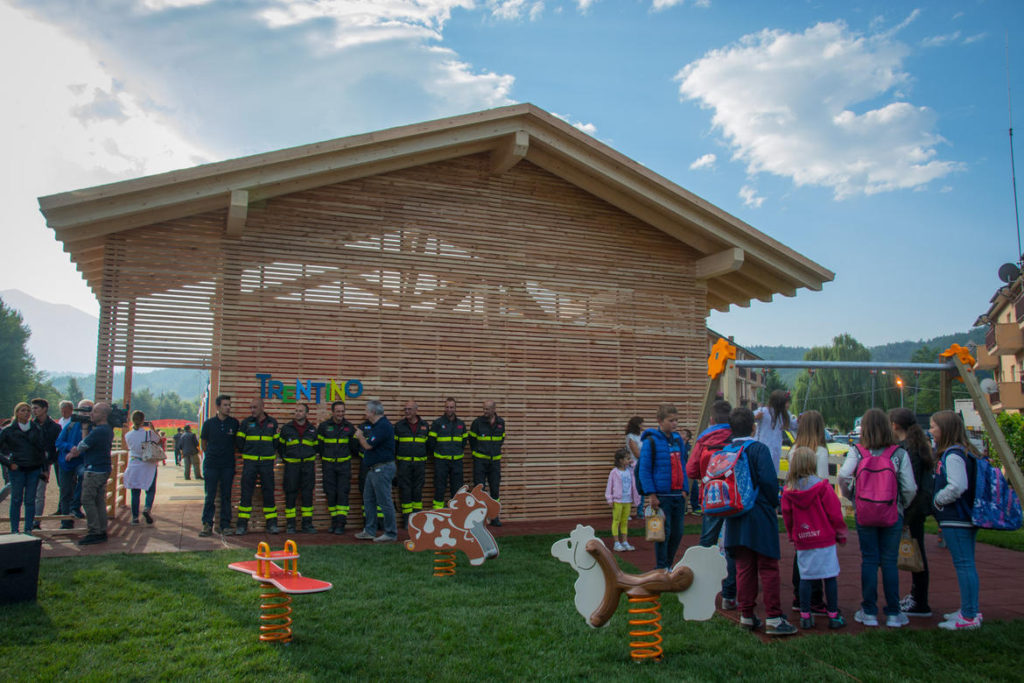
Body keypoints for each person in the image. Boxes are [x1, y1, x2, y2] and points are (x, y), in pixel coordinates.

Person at [838, 408, 916, 628]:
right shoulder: (898, 454)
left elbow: (844, 475)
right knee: (890, 561)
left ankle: (869, 610)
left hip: (865, 511)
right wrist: (901, 504)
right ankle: (893, 612)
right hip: (892, 511)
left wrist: (852, 497)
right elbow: (909, 487)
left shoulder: (858, 451)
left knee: (869, 560)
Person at [722, 406, 797, 635]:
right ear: (754, 427)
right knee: (768, 565)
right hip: (759, 513)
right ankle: (773, 617)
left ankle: (746, 614)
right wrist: (774, 502)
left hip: (734, 515)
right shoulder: (759, 449)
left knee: (743, 566)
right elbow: (768, 482)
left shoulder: (726, 451)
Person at [781, 446, 847, 630]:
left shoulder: (789, 492)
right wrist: (840, 532)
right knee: (830, 576)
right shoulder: (823, 487)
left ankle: (805, 614)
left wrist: (792, 533)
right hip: (824, 538)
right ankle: (833, 615)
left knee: (806, 577)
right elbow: (834, 513)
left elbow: (787, 516)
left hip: (803, 539)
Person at [930, 410, 982, 631]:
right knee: (965, 563)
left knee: (964, 564)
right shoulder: (964, 452)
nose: (931, 431)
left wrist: (938, 500)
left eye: (934, 426)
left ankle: (969, 615)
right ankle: (968, 609)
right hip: (962, 516)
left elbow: (958, 485)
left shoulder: (952, 455)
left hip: (956, 516)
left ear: (945, 429)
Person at [685, 399, 736, 608]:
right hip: (732, 497)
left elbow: (691, 470)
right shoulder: (736, 438)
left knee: (707, 542)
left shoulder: (704, 440)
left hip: (711, 497)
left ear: (712, 419)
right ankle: (729, 594)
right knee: (733, 545)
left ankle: (702, 587)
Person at [890, 407, 935, 619]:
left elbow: (910, 485)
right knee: (917, 551)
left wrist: (905, 514)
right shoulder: (917, 446)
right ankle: (918, 596)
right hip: (918, 507)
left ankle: (920, 601)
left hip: (912, 508)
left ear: (895, 425)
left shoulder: (909, 451)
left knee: (916, 553)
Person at [787, 409, 830, 614]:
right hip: (815, 508)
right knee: (819, 552)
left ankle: (799, 595)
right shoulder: (820, 451)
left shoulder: (794, 449)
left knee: (801, 551)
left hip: (797, 505)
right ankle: (815, 597)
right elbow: (821, 481)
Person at [637, 403, 687, 570]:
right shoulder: (651, 441)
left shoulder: (678, 440)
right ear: (660, 421)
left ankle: (669, 564)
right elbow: (644, 469)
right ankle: (660, 566)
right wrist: (651, 494)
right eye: (671, 420)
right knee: (661, 533)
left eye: (676, 420)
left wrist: (685, 488)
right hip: (661, 496)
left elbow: (683, 464)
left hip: (678, 495)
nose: (675, 424)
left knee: (677, 532)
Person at [66, 402, 115, 545]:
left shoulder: (99, 431)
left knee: (87, 500)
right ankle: (101, 530)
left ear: (104, 415)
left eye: (95, 412)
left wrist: (84, 429)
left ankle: (94, 530)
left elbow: (83, 445)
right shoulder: (107, 430)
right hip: (102, 468)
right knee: (99, 500)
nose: (91, 414)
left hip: (94, 470)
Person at [353, 400, 398, 542]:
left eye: (366, 410)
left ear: (373, 412)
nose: (365, 413)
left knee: (384, 501)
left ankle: (391, 533)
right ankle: (370, 530)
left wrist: (359, 435)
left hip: (382, 468)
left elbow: (368, 445)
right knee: (369, 500)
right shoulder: (377, 425)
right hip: (373, 469)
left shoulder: (383, 426)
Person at [235, 398, 280, 535]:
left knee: (269, 492)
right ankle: (242, 525)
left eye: (255, 407)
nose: (252, 410)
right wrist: (249, 454)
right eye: (251, 408)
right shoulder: (246, 423)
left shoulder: (272, 423)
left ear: (262, 407)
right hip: (250, 464)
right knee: (246, 493)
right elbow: (239, 442)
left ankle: (272, 525)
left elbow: (276, 443)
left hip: (267, 464)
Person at [0, 402, 45, 534]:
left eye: (27, 410)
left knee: (30, 500)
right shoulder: (8, 430)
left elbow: (41, 450)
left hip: (33, 468)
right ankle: (15, 530)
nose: (26, 413)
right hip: (17, 469)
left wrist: (45, 469)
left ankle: (28, 529)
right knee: (16, 499)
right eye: (22, 410)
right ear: (17, 413)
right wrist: (9, 463)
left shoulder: (36, 429)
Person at [199, 394, 240, 537]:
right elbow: (203, 443)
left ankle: (225, 525)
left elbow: (237, 443)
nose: (228, 408)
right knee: (210, 495)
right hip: (211, 465)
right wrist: (212, 454)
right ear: (218, 407)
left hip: (228, 465)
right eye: (225, 405)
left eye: (229, 405)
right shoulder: (209, 424)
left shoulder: (234, 423)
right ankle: (207, 524)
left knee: (226, 495)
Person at [278, 403, 319, 534]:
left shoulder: (312, 429)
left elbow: (317, 447)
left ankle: (307, 524)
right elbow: (280, 447)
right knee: (291, 494)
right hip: (292, 467)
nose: (298, 413)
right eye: (296, 411)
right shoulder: (286, 429)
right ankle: (291, 525)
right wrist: (288, 459)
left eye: (300, 411)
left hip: (308, 467)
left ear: (307, 413)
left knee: (307, 494)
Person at [317, 400, 357, 534]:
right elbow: (320, 447)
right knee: (330, 493)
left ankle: (341, 523)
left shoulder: (349, 427)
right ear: (332, 412)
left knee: (343, 493)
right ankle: (334, 521)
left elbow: (354, 447)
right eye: (338, 411)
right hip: (328, 466)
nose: (340, 414)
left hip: (344, 466)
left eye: (342, 411)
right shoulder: (323, 427)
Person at [122, 411, 164, 526]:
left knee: (135, 491)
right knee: (150, 489)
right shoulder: (149, 433)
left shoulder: (128, 435)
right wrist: (153, 429)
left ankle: (135, 517)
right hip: (148, 464)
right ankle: (147, 508)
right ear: (143, 420)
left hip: (134, 463)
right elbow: (159, 440)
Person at [55, 399, 92, 528]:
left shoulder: (93, 427)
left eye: (88, 409)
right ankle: (66, 521)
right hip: (66, 462)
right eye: (82, 409)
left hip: (81, 461)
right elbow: (59, 442)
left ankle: (75, 506)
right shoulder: (71, 424)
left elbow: (91, 445)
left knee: (84, 476)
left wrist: (77, 452)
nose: (85, 412)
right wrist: (70, 447)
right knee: (65, 491)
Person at [469, 400, 506, 526]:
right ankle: (479, 519)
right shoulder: (477, 423)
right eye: (484, 409)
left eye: (487, 409)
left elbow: (501, 440)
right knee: (479, 490)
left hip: (494, 462)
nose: (485, 411)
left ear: (494, 409)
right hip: (480, 462)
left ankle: (494, 516)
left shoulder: (501, 423)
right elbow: (472, 441)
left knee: (495, 490)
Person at [393, 400, 429, 529]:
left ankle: (417, 520)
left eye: (409, 409)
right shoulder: (399, 426)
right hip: (404, 465)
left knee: (418, 491)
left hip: (419, 465)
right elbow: (394, 447)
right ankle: (407, 521)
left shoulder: (425, 426)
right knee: (405, 491)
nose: (407, 412)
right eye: (405, 409)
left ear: (416, 410)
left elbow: (429, 446)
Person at [429, 397, 467, 509]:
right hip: (441, 462)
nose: (449, 409)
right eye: (447, 407)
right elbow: (431, 442)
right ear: (444, 408)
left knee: (457, 489)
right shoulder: (437, 423)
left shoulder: (461, 424)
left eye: (451, 407)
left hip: (457, 462)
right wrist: (439, 454)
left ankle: (455, 514)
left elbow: (464, 441)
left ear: (455, 408)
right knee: (440, 488)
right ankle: (438, 513)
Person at [30, 398, 62, 530]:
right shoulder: (31, 425)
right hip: (31, 462)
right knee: (31, 492)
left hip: (46, 462)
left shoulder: (55, 427)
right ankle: (31, 519)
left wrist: (51, 459)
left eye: (36, 408)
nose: (33, 411)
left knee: (39, 492)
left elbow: (57, 445)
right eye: (32, 408)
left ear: (44, 409)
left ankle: (36, 521)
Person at [753, 390, 795, 476]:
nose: (788, 405)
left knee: (773, 473)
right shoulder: (763, 412)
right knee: (760, 473)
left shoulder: (784, 415)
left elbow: (794, 425)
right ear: (778, 403)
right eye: (786, 403)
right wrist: (755, 417)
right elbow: (747, 419)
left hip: (775, 450)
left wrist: (800, 420)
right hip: (761, 448)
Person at [605, 447, 639, 551]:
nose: (629, 460)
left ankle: (624, 541)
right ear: (620, 460)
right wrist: (610, 499)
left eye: (630, 459)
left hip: (627, 500)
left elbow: (637, 465)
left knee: (625, 521)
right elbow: (609, 486)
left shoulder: (630, 470)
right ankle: (616, 543)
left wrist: (631, 462)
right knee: (616, 521)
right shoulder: (614, 472)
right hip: (618, 501)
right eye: (627, 458)